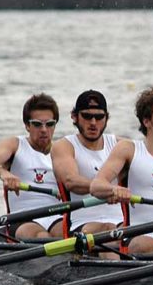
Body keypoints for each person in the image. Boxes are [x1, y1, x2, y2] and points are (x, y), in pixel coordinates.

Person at [90, 86, 153, 254]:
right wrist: (114, 189)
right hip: (137, 235)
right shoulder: (128, 149)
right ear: (146, 121)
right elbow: (96, 186)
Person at [0, 92, 64, 239]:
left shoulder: (63, 151)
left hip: (56, 216)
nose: (43, 129)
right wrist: (3, 173)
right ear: (27, 125)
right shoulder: (15, 145)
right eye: (37, 124)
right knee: (42, 237)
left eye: (49, 124)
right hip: (22, 218)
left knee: (68, 235)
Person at [51, 89, 122, 235]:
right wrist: (108, 190)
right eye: (87, 116)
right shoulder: (64, 146)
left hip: (121, 222)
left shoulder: (120, 145)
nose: (93, 123)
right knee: (107, 231)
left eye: (99, 117)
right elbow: (71, 181)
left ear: (106, 118)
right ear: (74, 117)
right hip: (81, 224)